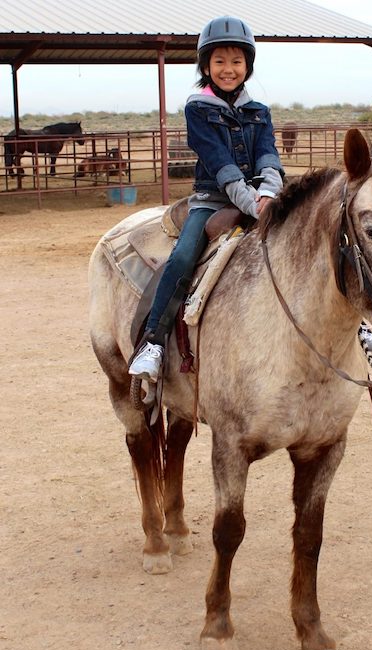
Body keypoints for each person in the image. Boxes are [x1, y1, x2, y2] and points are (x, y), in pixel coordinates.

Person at [129, 15, 285, 382]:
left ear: (247, 65)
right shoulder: (198, 109)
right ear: (205, 65)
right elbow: (220, 163)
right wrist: (252, 204)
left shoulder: (259, 112)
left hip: (262, 199)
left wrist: (268, 192)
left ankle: (359, 327)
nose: (228, 69)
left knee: (312, 237)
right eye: (219, 61)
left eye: (236, 61)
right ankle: (153, 341)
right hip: (214, 198)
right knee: (183, 256)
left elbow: (268, 155)